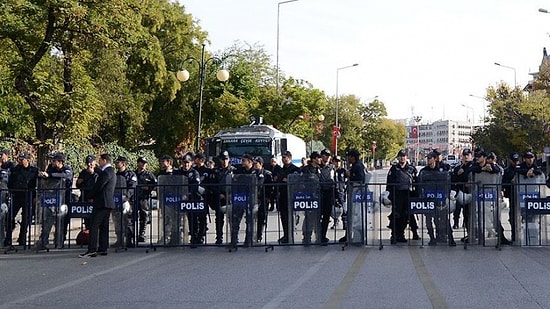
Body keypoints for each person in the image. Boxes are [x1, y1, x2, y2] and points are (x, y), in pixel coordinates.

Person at [80, 153, 116, 257]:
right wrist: (95, 168)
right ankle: (103, 248)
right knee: (104, 226)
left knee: (94, 225)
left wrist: (90, 196)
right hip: (107, 203)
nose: (98, 162)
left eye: (100, 160)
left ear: (104, 160)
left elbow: (99, 185)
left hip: (101, 202)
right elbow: (102, 174)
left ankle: (92, 249)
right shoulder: (110, 171)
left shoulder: (107, 172)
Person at [418, 151, 455, 246]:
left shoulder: (442, 170)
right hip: (428, 199)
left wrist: (447, 194)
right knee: (428, 220)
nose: (428, 160)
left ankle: (450, 238)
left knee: (444, 219)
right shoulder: (423, 171)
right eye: (427, 158)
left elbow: (448, 183)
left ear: (435, 159)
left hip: (440, 198)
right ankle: (432, 238)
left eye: (430, 158)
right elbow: (419, 185)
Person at [37, 152, 73, 249]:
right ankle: (43, 241)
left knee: (61, 222)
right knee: (47, 220)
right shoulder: (50, 168)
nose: (51, 162)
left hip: (63, 199)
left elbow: (65, 176)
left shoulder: (67, 169)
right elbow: (46, 180)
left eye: (54, 161)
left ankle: (59, 241)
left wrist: (50, 175)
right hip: (50, 199)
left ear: (60, 162)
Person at [385, 149, 419, 244]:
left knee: (408, 214)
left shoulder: (411, 169)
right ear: (398, 157)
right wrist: (389, 195)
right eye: (400, 156)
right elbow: (389, 183)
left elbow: (416, 182)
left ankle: (411, 232)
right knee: (396, 215)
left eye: (404, 156)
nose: (402, 158)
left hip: (408, 194)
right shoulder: (394, 169)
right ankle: (395, 235)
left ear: (406, 157)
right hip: (397, 195)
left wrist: (416, 195)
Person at [6, 153, 38, 247]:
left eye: (22, 159)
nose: (20, 161)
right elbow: (10, 182)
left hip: (28, 196)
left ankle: (22, 238)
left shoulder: (34, 170)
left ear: (27, 160)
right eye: (19, 159)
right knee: (10, 217)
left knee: (26, 218)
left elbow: (36, 184)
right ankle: (8, 238)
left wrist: (35, 197)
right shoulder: (15, 170)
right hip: (16, 195)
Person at [231, 154, 258, 248]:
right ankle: (234, 241)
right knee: (236, 220)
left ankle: (248, 241)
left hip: (251, 198)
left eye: (244, 161)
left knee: (249, 220)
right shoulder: (239, 171)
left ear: (250, 162)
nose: (242, 162)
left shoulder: (255, 172)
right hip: (240, 198)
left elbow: (257, 185)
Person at [339, 149, 366, 243]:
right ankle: (348, 236)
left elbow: (361, 179)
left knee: (356, 215)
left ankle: (357, 237)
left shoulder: (358, 166)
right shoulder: (355, 165)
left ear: (353, 157)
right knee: (351, 215)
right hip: (353, 193)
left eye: (349, 157)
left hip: (356, 193)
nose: (347, 159)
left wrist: (350, 175)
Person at [210, 151, 235, 245]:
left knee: (232, 219)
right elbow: (212, 185)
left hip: (231, 197)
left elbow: (237, 183)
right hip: (220, 197)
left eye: (226, 159)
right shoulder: (215, 171)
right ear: (220, 160)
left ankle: (233, 238)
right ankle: (219, 238)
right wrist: (219, 194)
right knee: (219, 219)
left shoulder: (233, 170)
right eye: (223, 159)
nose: (224, 161)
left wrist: (231, 194)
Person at [177, 154, 203, 247]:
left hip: (192, 199)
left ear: (191, 163)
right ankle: (176, 238)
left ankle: (194, 238)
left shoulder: (194, 172)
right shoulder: (178, 172)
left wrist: (188, 193)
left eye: (187, 163)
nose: (186, 165)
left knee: (193, 219)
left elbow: (196, 185)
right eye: (184, 163)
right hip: (179, 199)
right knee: (177, 220)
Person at [112, 156, 137, 247]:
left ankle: (129, 240)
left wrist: (126, 197)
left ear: (123, 164)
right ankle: (120, 240)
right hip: (116, 201)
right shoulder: (115, 175)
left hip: (128, 201)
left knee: (128, 221)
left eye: (118, 162)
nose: (116, 164)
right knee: (117, 221)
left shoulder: (130, 174)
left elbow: (132, 187)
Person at [276, 151, 300, 244]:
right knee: (283, 216)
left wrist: (287, 180)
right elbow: (279, 179)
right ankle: (286, 234)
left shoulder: (295, 169)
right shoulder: (282, 169)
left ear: (289, 158)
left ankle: (290, 235)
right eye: (282, 157)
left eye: (285, 157)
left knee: (290, 217)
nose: (283, 159)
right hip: (282, 194)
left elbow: (295, 181)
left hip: (290, 195)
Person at [299, 151, 323, 244]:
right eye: (318, 158)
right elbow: (300, 182)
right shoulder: (305, 170)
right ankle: (306, 236)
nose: (320, 159)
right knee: (309, 217)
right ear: (314, 159)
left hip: (318, 196)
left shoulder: (319, 169)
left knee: (317, 217)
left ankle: (318, 236)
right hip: (308, 196)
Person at [451, 148, 474, 232]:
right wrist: (458, 174)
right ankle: (456, 222)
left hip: (470, 193)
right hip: (460, 192)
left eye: (468, 155)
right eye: (464, 155)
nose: (466, 157)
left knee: (468, 213)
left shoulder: (473, 166)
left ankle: (470, 232)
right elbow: (453, 180)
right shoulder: (458, 168)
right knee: (457, 210)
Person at [134, 156, 157, 243]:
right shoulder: (134, 173)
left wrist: (149, 188)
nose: (143, 165)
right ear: (138, 163)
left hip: (144, 198)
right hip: (134, 198)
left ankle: (141, 234)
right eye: (142, 163)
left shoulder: (149, 174)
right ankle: (131, 235)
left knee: (144, 216)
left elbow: (155, 184)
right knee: (132, 217)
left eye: (145, 163)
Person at [75, 155, 100, 229]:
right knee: (86, 219)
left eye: (91, 163)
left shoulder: (99, 171)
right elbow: (78, 185)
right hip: (85, 197)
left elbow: (98, 184)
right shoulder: (84, 172)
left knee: (95, 220)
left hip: (95, 198)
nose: (89, 165)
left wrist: (93, 174)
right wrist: (79, 182)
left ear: (94, 162)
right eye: (87, 163)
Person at [192, 152, 211, 244]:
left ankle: (201, 236)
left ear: (201, 160)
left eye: (196, 159)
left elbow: (211, 183)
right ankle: (194, 236)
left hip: (204, 197)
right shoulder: (193, 170)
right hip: (194, 196)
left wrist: (206, 190)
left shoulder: (208, 171)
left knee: (202, 217)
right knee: (193, 217)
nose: (194, 160)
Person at [318, 149, 337, 244]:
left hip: (329, 193)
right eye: (326, 155)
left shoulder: (332, 167)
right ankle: (316, 235)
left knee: (326, 216)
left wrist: (336, 196)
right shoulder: (317, 167)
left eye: (329, 155)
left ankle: (323, 236)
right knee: (317, 216)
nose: (328, 157)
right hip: (318, 193)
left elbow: (335, 181)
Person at [253, 156, 272, 243]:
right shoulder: (252, 173)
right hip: (254, 198)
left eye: (256, 163)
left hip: (263, 198)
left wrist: (268, 197)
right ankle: (252, 235)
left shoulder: (267, 174)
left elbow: (270, 187)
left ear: (261, 164)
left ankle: (259, 235)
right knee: (252, 217)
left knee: (261, 217)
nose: (255, 165)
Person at [502, 152, 520, 243]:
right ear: (510, 161)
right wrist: (510, 182)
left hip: (522, 195)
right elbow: (503, 183)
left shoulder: (521, 169)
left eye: (517, 160)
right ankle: (514, 236)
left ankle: (520, 235)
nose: (516, 163)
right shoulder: (507, 171)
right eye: (514, 161)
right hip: (512, 195)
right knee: (512, 216)